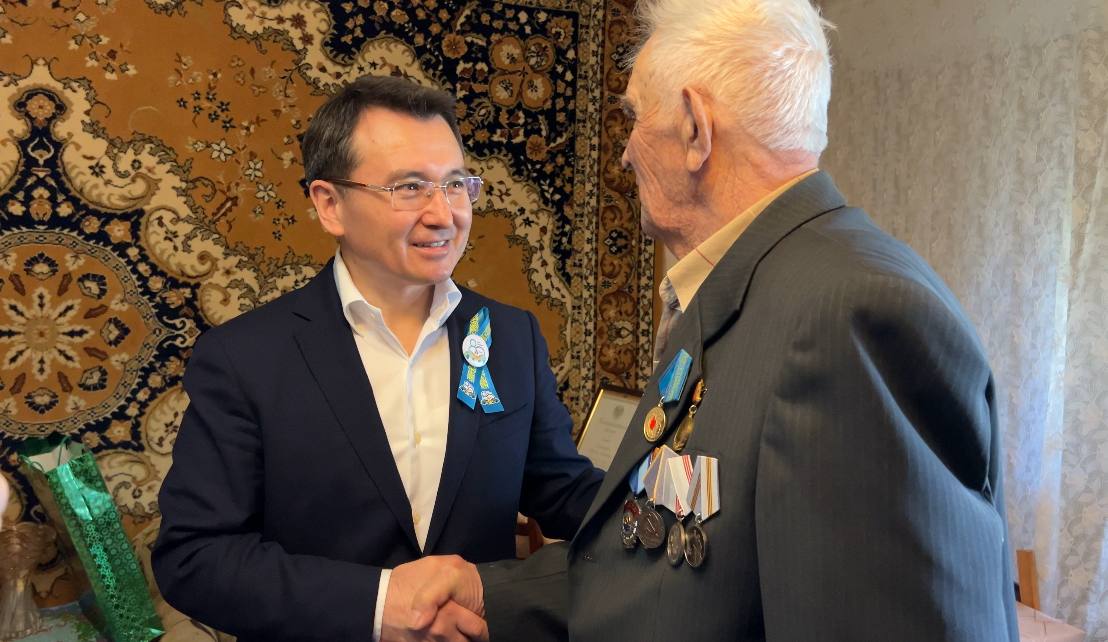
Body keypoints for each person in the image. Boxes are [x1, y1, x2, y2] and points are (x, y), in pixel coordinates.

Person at [403, 0, 1021, 640]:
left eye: (635, 118)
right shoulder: (752, 287)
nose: (625, 155)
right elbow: (673, 569)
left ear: (696, 128)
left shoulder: (851, 316)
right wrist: (491, 594)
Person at [152, 76, 603, 642]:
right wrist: (379, 605)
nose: (444, 214)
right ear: (330, 204)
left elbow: (560, 489)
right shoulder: (245, 357)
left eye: (455, 184)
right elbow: (194, 557)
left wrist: (670, 507)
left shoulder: (511, 336)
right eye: (410, 187)